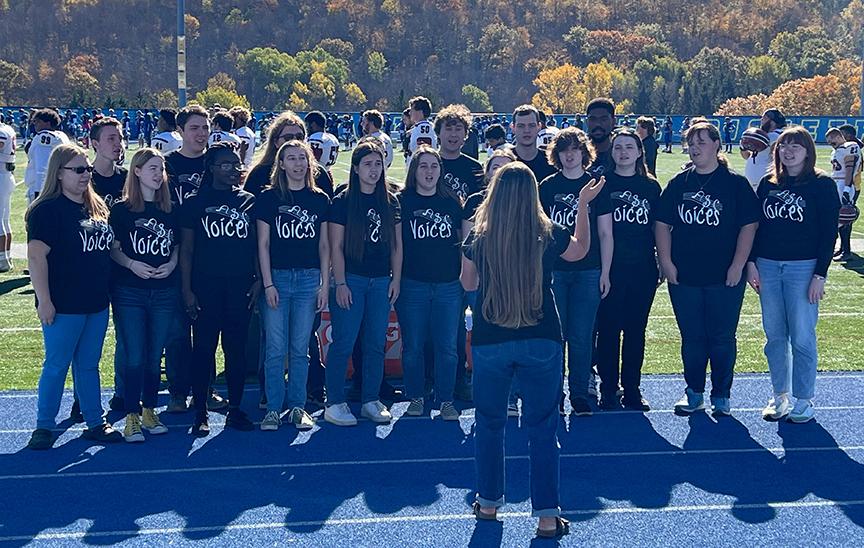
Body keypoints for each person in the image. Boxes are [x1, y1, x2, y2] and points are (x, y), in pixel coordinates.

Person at [461, 162, 603, 537]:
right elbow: (582, 251)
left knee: (489, 426)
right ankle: (546, 516)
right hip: (541, 337)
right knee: (542, 428)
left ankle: (489, 504)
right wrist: (583, 206)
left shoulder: (479, 235)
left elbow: (467, 280)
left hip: (492, 338)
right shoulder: (548, 232)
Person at [655, 121, 760, 416]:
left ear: (716, 144)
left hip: (725, 275)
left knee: (722, 337)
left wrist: (738, 265)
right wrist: (666, 261)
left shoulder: (735, 183)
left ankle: (722, 394)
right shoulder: (680, 182)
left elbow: (749, 225)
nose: (695, 147)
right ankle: (694, 392)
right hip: (685, 275)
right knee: (692, 337)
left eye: (702, 141)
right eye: (691, 142)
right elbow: (662, 223)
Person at [26, 144, 121, 450]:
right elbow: (37, 258)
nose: (85, 175)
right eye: (78, 170)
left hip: (95, 301)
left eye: (87, 170)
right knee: (56, 364)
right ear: (59, 173)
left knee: (89, 365)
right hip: (64, 304)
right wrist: (45, 300)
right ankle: (44, 426)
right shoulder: (46, 211)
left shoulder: (95, 207)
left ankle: (95, 421)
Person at [747, 126, 840, 424]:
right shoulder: (767, 183)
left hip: (803, 268)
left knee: (801, 336)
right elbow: (756, 228)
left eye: (796, 146)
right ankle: (780, 396)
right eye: (784, 145)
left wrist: (820, 275)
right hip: (768, 265)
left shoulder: (822, 185)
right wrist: (752, 262)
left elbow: (828, 234)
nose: (788, 150)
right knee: (774, 336)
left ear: (807, 151)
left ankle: (803, 399)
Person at [180, 143, 259, 436]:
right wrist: (187, 290)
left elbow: (256, 246)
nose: (233, 169)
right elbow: (186, 250)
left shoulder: (249, 201)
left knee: (236, 350)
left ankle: (235, 408)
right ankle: (200, 410)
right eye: (226, 164)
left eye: (236, 164)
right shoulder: (194, 202)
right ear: (211, 167)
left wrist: (259, 280)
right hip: (205, 286)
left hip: (240, 286)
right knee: (203, 349)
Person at [325, 141, 402, 426]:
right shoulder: (343, 201)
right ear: (355, 168)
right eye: (368, 164)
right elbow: (336, 246)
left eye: (378, 164)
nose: (374, 169)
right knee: (344, 342)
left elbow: (397, 245)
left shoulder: (391, 201)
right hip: (352, 281)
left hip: (381, 281)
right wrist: (341, 282)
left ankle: (371, 399)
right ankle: (334, 401)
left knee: (375, 343)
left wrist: (396, 279)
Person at [256, 140, 331, 431]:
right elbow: (263, 244)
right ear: (281, 164)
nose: (298, 164)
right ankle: (274, 408)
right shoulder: (268, 199)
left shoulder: (320, 199)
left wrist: (324, 285)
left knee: (301, 349)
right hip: (278, 278)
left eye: (303, 158)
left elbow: (324, 245)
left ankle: (298, 406)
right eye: (291, 158)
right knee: (276, 348)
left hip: (309, 280)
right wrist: (268, 283)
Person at [539, 128, 613, 416]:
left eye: (575, 149)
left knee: (581, 336)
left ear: (584, 153)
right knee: (555, 336)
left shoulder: (596, 186)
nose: (569, 155)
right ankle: (553, 395)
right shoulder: (546, 186)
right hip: (555, 271)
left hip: (588, 271)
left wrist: (605, 272)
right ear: (556, 155)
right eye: (563, 150)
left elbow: (606, 233)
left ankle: (579, 394)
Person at [108, 148, 177, 442]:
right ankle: (131, 416)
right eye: (151, 167)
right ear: (136, 171)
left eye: (160, 168)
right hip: (130, 292)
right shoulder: (122, 210)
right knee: (134, 354)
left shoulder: (170, 209)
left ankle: (150, 409)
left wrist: (172, 264)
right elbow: (112, 248)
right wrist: (131, 264)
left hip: (163, 291)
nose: (157, 173)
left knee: (153, 355)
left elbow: (177, 246)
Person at [595, 130, 662, 411]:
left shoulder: (651, 187)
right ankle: (608, 388)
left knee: (636, 331)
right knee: (608, 331)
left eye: (629, 147)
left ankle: (632, 389)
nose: (623, 152)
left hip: (642, 268)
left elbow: (659, 229)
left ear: (639, 152)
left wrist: (661, 262)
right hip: (609, 269)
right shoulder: (602, 184)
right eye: (618, 147)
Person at [395, 146, 464, 420]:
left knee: (447, 347)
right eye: (423, 166)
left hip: (448, 285)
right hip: (413, 285)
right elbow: (397, 245)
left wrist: (462, 277)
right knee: (413, 346)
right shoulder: (402, 201)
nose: (429, 172)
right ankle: (416, 397)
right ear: (414, 170)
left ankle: (445, 399)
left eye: (434, 166)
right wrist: (397, 281)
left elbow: (462, 242)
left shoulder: (450, 201)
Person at [247, 111, 334, 198]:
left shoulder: (318, 173)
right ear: (276, 142)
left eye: (300, 137)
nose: (294, 141)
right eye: (288, 138)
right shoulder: (260, 173)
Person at [437, 104, 484, 201]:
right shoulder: (427, 164)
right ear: (438, 133)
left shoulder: (475, 168)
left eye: (458, 129)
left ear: (466, 134)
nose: (453, 134)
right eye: (448, 129)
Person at [828, 125, 861, 261]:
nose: (831, 144)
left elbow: (849, 168)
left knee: (845, 217)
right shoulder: (838, 150)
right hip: (838, 183)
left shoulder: (850, 146)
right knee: (838, 217)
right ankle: (842, 248)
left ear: (838, 136)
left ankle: (846, 250)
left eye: (832, 141)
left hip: (845, 184)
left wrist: (847, 188)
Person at [24, 109, 69, 204]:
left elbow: (42, 168)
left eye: (37, 121)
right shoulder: (61, 135)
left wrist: (39, 191)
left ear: (47, 123)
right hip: (59, 184)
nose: (34, 124)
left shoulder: (44, 137)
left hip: (44, 187)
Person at [742, 108, 786, 191]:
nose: (761, 120)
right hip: (757, 182)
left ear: (772, 122)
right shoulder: (765, 136)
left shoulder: (774, 136)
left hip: (765, 182)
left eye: (764, 118)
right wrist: (743, 148)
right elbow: (747, 156)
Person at [90, 117, 127, 209]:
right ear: (95, 144)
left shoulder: (127, 177)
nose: (118, 143)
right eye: (111, 139)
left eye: (120, 139)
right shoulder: (84, 177)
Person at [512, 105, 556, 182]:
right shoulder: (505, 160)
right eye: (521, 126)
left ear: (539, 127)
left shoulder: (551, 161)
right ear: (513, 128)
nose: (526, 130)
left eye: (531, 125)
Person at [0, 118, 16, 272]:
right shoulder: (7, 129)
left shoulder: (2, 132)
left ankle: (2, 259)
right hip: (5, 173)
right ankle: (6, 256)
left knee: (0, 221)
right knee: (4, 220)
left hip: (1, 174)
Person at [585, 98, 616, 175]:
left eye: (603, 119)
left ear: (613, 121)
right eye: (593, 119)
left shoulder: (622, 151)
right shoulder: (577, 151)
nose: (597, 124)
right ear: (586, 122)